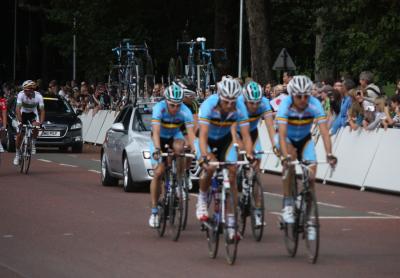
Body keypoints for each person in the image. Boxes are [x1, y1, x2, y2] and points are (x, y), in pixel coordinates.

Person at [195, 76, 253, 240]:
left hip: (225, 140)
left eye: (232, 102)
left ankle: (231, 224)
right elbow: (203, 135)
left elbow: (247, 136)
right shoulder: (208, 105)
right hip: (206, 139)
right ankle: (202, 198)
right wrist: (205, 156)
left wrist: (249, 154)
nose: (229, 105)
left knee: (233, 174)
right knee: (211, 166)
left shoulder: (240, 107)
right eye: (226, 101)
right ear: (220, 97)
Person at [275, 75, 337, 225]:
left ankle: (308, 216)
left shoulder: (315, 104)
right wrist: (284, 157)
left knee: (311, 178)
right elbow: (282, 135)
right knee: (288, 164)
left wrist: (329, 154)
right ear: (292, 95)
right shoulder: (285, 105)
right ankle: (288, 205)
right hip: (287, 139)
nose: (303, 99)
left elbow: (324, 132)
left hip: (304, 140)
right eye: (299, 96)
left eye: (306, 96)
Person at [148, 84, 196, 228]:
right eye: (172, 105)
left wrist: (195, 151)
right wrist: (157, 149)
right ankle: (155, 211)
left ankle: (179, 180)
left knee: (182, 148)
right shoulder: (159, 108)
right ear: (166, 101)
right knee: (159, 172)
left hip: (174, 135)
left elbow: (191, 135)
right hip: (159, 138)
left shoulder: (185, 111)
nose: (175, 108)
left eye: (178, 105)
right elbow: (155, 132)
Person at [236, 81, 276, 226]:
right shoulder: (238, 104)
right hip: (236, 133)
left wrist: (275, 146)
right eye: (251, 103)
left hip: (252, 134)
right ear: (245, 100)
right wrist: (241, 148)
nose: (254, 106)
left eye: (257, 103)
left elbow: (271, 128)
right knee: (235, 161)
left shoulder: (265, 104)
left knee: (256, 171)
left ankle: (258, 211)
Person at [13, 80, 45, 165]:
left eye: (26, 90)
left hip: (32, 114)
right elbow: (17, 109)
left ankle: (33, 143)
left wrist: (41, 123)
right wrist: (20, 122)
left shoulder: (39, 96)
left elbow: (42, 111)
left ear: (32, 90)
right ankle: (17, 154)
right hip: (22, 113)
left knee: (36, 126)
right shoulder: (21, 94)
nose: (25, 91)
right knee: (19, 134)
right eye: (24, 90)